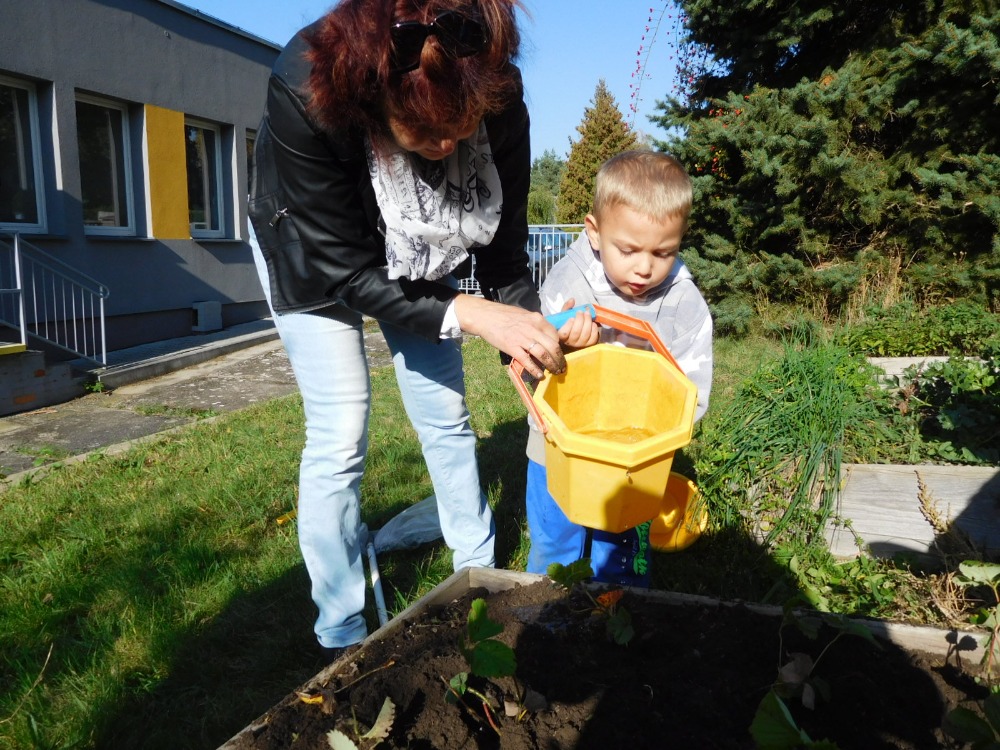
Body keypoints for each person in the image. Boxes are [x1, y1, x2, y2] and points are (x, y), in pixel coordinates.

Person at [247, 0, 566, 659]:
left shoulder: (498, 93)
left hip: (421, 251)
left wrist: (526, 335)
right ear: (377, 96)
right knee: (340, 429)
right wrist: (470, 312)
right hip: (310, 245)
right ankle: (341, 633)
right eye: (425, 133)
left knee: (444, 412)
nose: (447, 149)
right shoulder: (305, 90)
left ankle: (475, 575)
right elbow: (345, 269)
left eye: (460, 129)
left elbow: (504, 257)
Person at [525, 150, 713, 587]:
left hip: (635, 459)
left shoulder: (683, 303)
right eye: (628, 250)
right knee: (555, 540)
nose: (644, 268)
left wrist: (659, 425)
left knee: (623, 552)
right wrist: (562, 346)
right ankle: (550, 604)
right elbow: (532, 362)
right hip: (558, 447)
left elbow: (692, 391)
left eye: (664, 252)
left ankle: (622, 612)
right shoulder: (570, 282)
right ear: (594, 232)